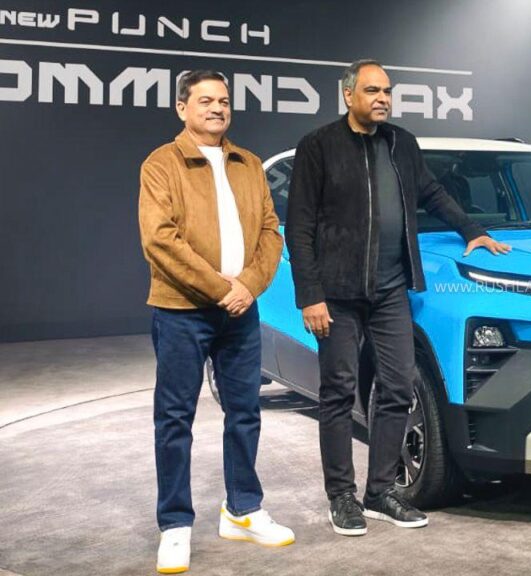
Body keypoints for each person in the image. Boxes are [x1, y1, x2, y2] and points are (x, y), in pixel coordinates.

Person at [286, 59, 510, 536]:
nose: (382, 99)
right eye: (372, 91)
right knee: (338, 392)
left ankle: (380, 492)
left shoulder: (401, 144)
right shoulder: (318, 146)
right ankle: (341, 497)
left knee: (396, 388)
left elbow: (433, 193)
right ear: (348, 95)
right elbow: (299, 226)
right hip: (337, 293)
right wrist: (310, 295)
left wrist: (472, 230)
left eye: (387, 91)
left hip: (391, 289)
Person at [139, 69, 292, 573]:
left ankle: (242, 509)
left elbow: (271, 232)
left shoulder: (248, 164)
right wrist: (222, 289)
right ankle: (175, 524)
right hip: (182, 311)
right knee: (174, 418)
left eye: (223, 100)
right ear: (182, 108)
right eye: (205, 100)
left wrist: (248, 285)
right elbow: (160, 240)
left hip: (241, 310)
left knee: (245, 412)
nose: (217, 108)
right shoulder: (161, 163)